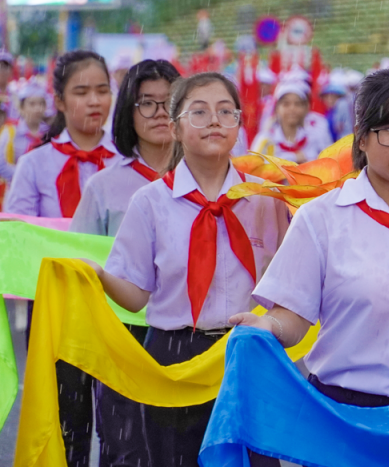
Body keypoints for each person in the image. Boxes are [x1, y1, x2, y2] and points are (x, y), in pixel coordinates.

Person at [230, 68, 389, 462]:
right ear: (362, 135)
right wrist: (267, 326)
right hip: (341, 419)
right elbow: (293, 317)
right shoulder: (321, 219)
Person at [85, 72, 290, 467]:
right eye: (199, 112)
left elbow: (291, 282)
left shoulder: (267, 200)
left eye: (225, 111)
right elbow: (135, 295)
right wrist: (96, 275)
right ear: (175, 126)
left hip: (249, 351)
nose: (214, 120)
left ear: (239, 125)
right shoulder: (150, 203)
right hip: (176, 355)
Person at [5, 50, 121, 467]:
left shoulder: (131, 163)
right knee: (66, 419)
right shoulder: (36, 164)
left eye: (103, 91)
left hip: (120, 305)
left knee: (120, 421)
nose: (94, 101)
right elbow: (19, 235)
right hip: (57, 306)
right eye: (82, 91)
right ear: (58, 100)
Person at [70, 58, 180, 467]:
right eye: (146, 103)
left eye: (169, 102)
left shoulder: (213, 182)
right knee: (126, 448)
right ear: (127, 113)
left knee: (184, 449)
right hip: (122, 336)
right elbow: (80, 261)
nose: (159, 113)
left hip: (191, 336)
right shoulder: (104, 186)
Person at [251, 82, 332, 163]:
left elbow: (326, 163)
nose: (292, 109)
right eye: (286, 104)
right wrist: (294, 157)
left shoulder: (314, 138)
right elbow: (254, 166)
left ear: (306, 108)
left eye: (297, 104)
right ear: (277, 108)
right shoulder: (265, 139)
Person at [0, 81, 50, 191]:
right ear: (21, 108)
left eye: (41, 104)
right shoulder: (11, 132)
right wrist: (25, 176)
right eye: (32, 104)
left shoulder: (49, 133)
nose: (38, 108)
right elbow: (1, 164)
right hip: (17, 189)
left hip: (43, 190)